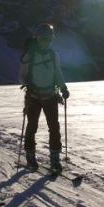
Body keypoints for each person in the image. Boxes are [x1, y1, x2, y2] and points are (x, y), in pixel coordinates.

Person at [19, 22, 69, 171]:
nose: (45, 42)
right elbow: (21, 77)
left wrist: (63, 87)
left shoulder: (53, 55)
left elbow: (57, 73)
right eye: (43, 38)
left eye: (48, 39)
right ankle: (31, 156)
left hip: (49, 96)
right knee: (33, 126)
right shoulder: (29, 56)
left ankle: (54, 158)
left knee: (53, 127)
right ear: (38, 38)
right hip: (35, 96)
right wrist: (27, 82)